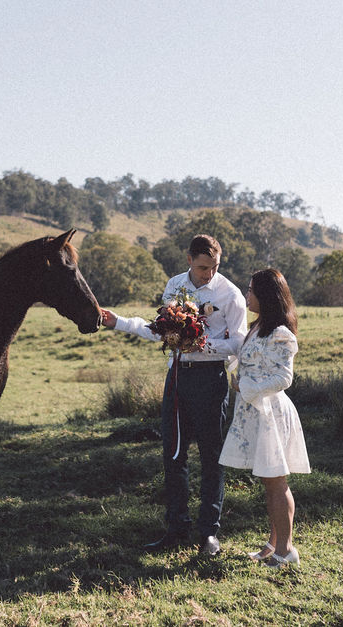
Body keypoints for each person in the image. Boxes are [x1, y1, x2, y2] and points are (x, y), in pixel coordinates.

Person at [101, 234, 248, 556]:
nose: (208, 273)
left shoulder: (231, 295)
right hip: (178, 376)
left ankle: (209, 532)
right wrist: (120, 323)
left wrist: (203, 345)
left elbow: (238, 342)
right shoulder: (174, 286)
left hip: (210, 379)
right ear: (189, 260)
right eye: (202, 267)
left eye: (214, 267)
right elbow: (160, 330)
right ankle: (176, 527)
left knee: (211, 456)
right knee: (173, 453)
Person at [219, 268, 310, 569]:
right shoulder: (258, 328)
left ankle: (285, 552)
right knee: (269, 481)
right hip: (255, 411)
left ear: (266, 295)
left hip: (270, 413)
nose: (247, 295)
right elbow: (255, 364)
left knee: (276, 482)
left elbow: (284, 377)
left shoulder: (281, 333)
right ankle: (273, 545)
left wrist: (246, 386)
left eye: (251, 290)